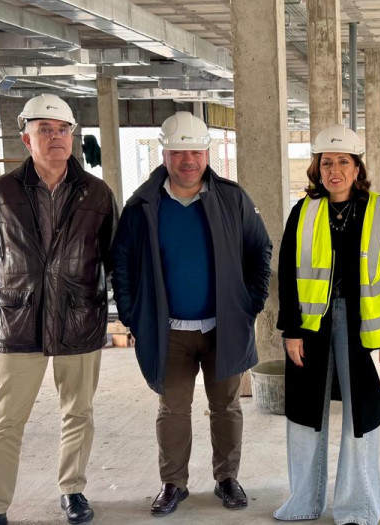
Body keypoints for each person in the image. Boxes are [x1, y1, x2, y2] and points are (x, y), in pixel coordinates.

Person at [110, 111, 272, 517]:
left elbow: (260, 250)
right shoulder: (142, 206)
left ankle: (227, 478)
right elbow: (122, 263)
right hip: (169, 332)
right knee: (173, 410)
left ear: (207, 154)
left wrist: (250, 303)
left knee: (227, 408)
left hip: (223, 327)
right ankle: (173, 483)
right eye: (179, 152)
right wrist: (131, 314)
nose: (188, 160)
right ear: (164, 154)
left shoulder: (232, 199)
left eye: (196, 152)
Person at [0, 94, 117, 525]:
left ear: (73, 137)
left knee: (78, 412)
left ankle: (72, 490)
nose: (56, 137)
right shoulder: (1, 192)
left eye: (63, 130)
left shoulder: (96, 192)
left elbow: (113, 255)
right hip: (21, 321)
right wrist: (16, 294)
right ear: (26, 139)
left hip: (79, 316)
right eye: (45, 130)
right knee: (6, 418)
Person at [273, 124, 380, 525]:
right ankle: (303, 501)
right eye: (327, 162)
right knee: (304, 417)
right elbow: (287, 273)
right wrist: (290, 329)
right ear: (316, 168)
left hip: (366, 324)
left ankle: (358, 507)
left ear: (357, 168)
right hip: (311, 326)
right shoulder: (303, 211)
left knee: (361, 418)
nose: (335, 170)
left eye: (343, 162)